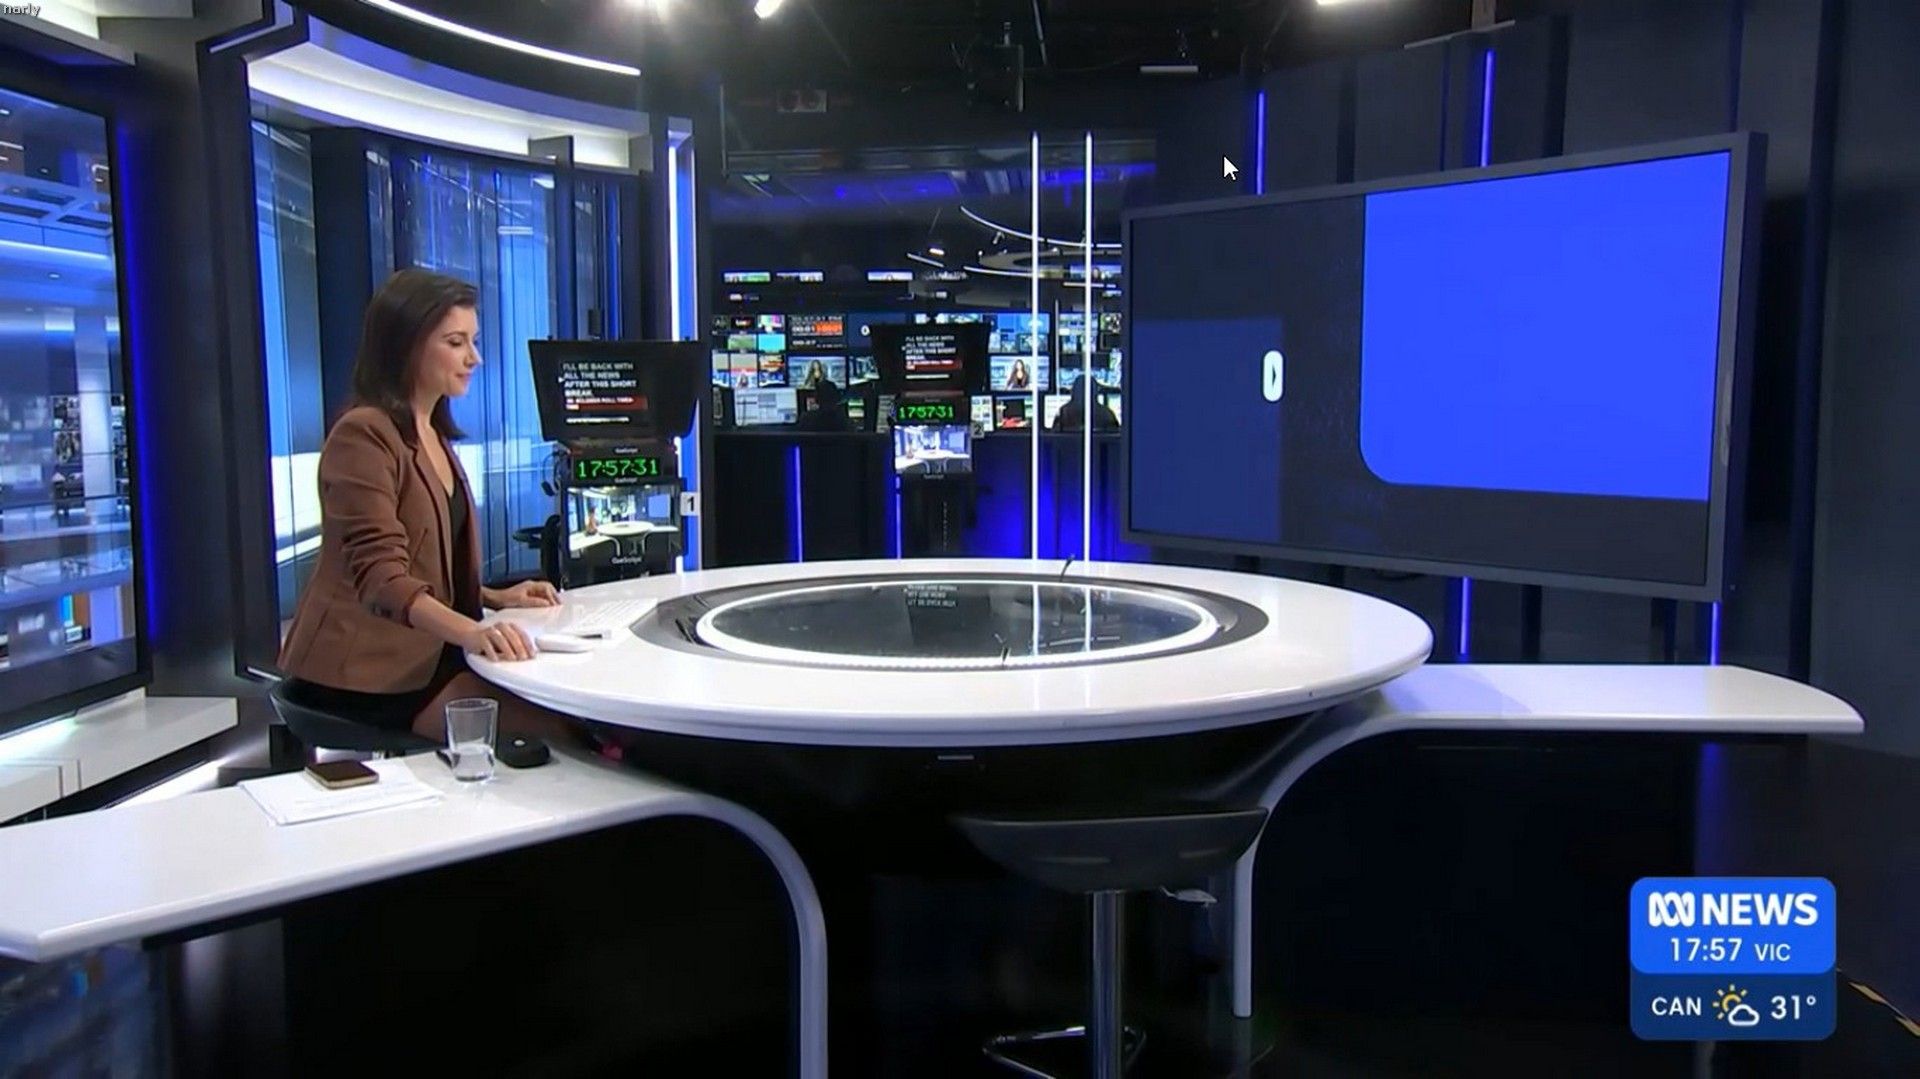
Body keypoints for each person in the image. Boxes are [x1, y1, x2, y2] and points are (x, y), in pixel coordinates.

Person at [278, 269, 576, 743]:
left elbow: (425, 566)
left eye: (473, 342)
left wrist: (494, 598)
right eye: (456, 343)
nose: (474, 358)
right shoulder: (364, 435)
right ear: (406, 345)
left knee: (567, 702)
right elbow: (383, 580)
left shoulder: (432, 434)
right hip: (366, 673)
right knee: (561, 728)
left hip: (432, 655)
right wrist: (472, 632)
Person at [1050, 375, 1119, 432]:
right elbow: (1115, 437)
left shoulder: (1064, 412)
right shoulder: (1106, 414)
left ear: (1073, 391)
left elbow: (1053, 436)